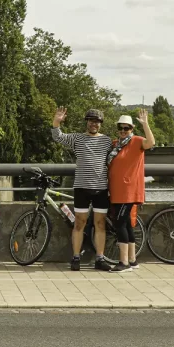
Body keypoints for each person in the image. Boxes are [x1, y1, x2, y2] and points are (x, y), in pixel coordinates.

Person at [52, 107, 113, 271]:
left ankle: (100, 258)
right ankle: (76, 257)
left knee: (100, 224)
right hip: (81, 187)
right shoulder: (77, 138)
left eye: (97, 122)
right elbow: (57, 136)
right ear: (87, 122)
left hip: (100, 188)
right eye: (92, 121)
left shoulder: (107, 141)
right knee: (79, 223)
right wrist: (57, 121)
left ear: (101, 124)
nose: (94, 124)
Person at [107, 109, 154, 273]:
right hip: (117, 189)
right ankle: (132, 260)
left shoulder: (136, 141)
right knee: (126, 224)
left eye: (126, 128)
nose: (122, 130)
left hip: (127, 190)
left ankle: (124, 262)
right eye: (120, 128)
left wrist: (145, 124)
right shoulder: (115, 144)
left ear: (132, 129)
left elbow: (151, 143)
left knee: (119, 223)